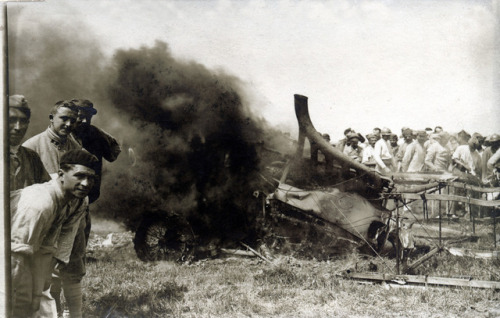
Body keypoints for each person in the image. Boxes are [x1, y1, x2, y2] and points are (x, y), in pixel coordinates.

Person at [10, 150, 97, 318]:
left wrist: (37, 295)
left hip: (20, 253)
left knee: (37, 305)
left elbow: (47, 250)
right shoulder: (39, 204)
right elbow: (14, 258)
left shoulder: (78, 200)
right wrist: (20, 299)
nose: (86, 183)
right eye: (79, 176)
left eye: (91, 178)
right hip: (10, 254)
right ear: (61, 174)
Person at [23, 100, 81, 177]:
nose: (68, 124)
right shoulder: (30, 147)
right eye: (64, 118)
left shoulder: (76, 148)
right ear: (51, 118)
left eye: (73, 121)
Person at [8, 95, 50, 190]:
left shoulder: (32, 157)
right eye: (11, 120)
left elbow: (46, 192)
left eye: (23, 121)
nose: (18, 127)